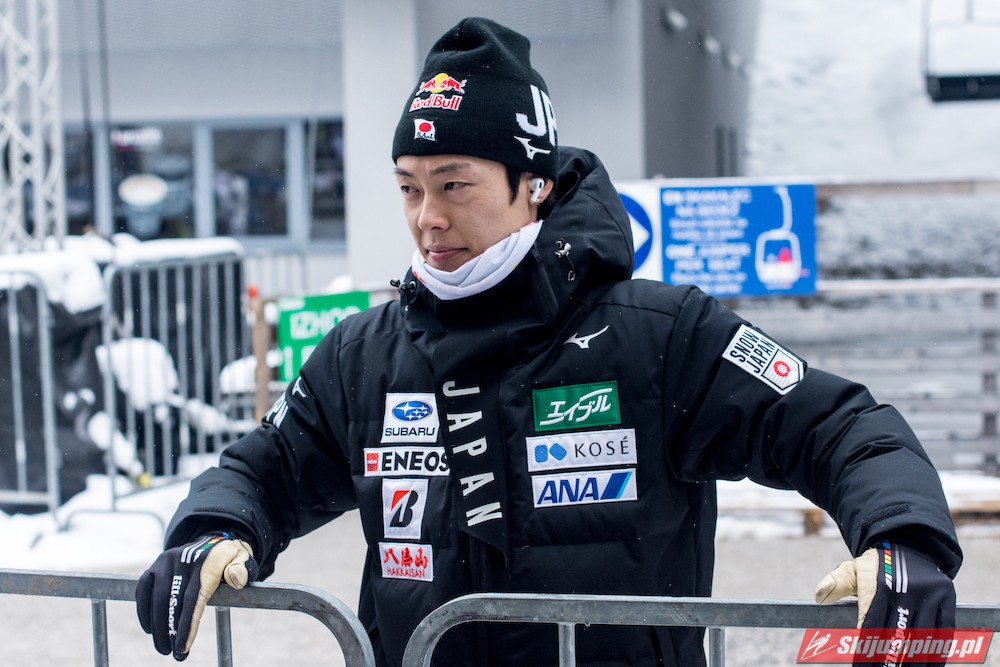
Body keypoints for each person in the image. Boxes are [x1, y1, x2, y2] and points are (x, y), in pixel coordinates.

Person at [135, 17, 961, 667]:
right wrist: (212, 525)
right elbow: (265, 468)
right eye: (410, 188)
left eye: (455, 185)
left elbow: (839, 425)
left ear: (533, 184)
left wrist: (901, 536)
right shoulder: (364, 356)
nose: (428, 218)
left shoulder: (660, 336)